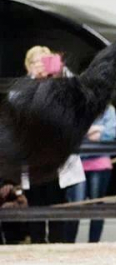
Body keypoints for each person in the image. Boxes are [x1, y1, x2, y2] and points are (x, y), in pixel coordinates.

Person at [21, 46, 68, 243]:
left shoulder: (59, 85)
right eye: (35, 62)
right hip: (32, 156)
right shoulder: (21, 88)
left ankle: (58, 243)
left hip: (56, 155)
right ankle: (37, 242)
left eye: (44, 61)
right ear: (28, 66)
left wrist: (58, 74)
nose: (40, 65)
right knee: (35, 201)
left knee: (57, 200)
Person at [80, 104, 116, 242]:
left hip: (100, 164)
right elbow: (73, 131)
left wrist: (88, 131)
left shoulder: (108, 109)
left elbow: (110, 134)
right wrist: (97, 130)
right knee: (74, 203)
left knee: (97, 205)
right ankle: (68, 241)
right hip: (78, 164)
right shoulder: (79, 107)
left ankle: (94, 242)